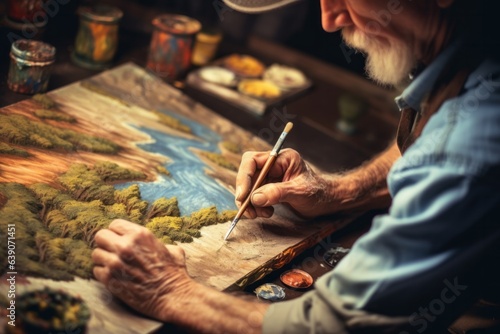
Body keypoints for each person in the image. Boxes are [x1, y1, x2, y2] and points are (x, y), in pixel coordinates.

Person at [92, 0, 500, 332]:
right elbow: (422, 148)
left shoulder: (471, 136)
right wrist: (339, 192)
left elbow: (330, 325)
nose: (328, 19)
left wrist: (171, 291)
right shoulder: (473, 51)